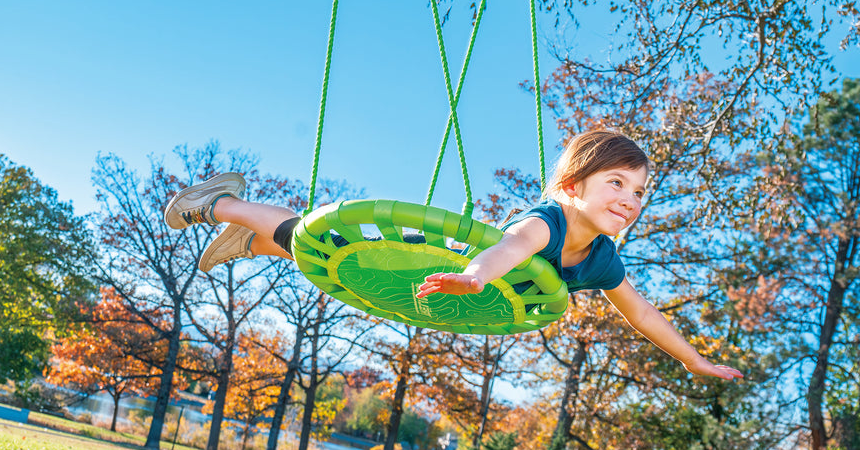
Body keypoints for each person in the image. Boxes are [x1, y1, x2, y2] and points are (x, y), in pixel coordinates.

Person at [164, 130, 743, 381]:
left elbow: (641, 313)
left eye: (639, 192)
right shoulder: (550, 222)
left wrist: (691, 358)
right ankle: (221, 205)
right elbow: (512, 248)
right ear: (571, 187)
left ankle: (252, 240)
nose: (629, 199)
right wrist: (473, 276)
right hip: (438, 260)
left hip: (441, 279)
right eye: (616, 183)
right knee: (313, 238)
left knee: (311, 249)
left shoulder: (602, 257)